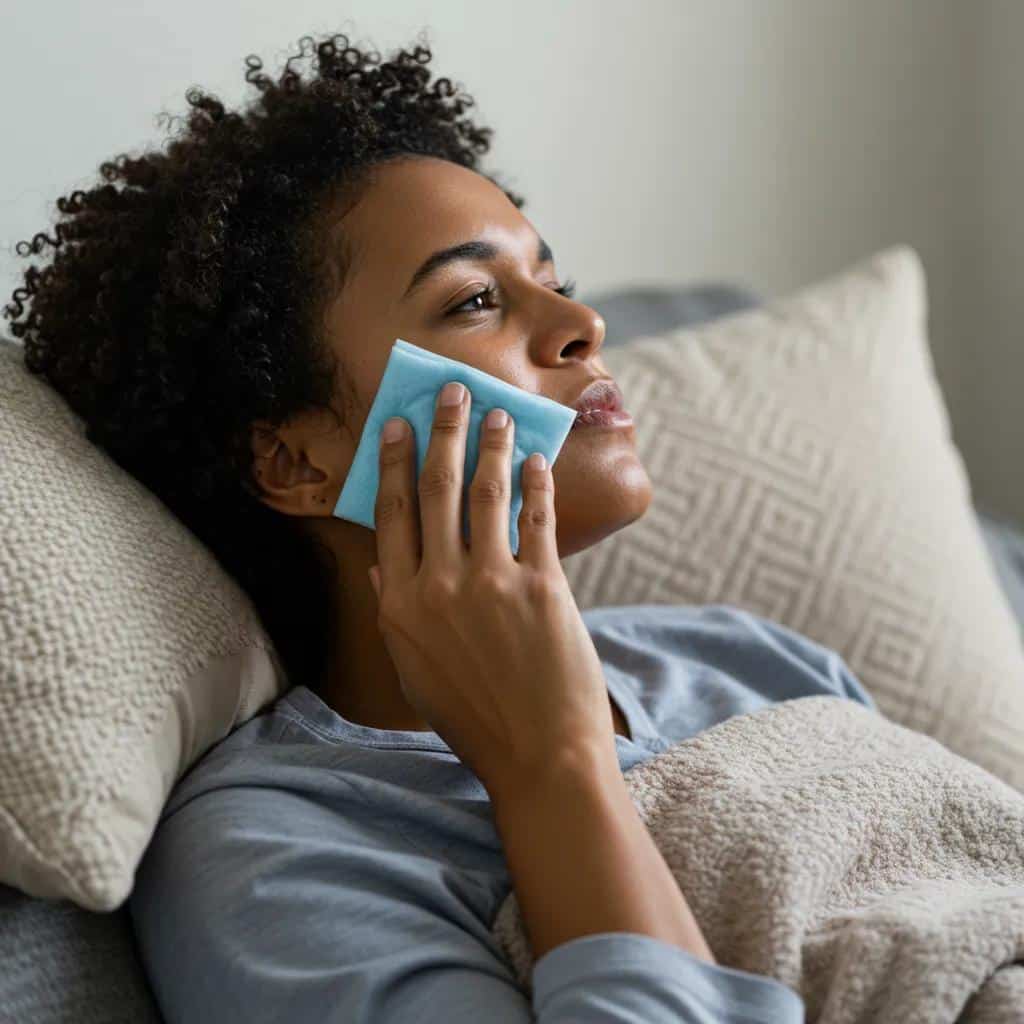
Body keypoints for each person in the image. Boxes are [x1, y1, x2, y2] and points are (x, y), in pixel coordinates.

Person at [4, 30, 876, 1023]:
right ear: (293, 459)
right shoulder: (276, 851)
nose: (578, 324)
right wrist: (552, 765)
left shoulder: (752, 660)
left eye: (555, 276)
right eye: (474, 299)